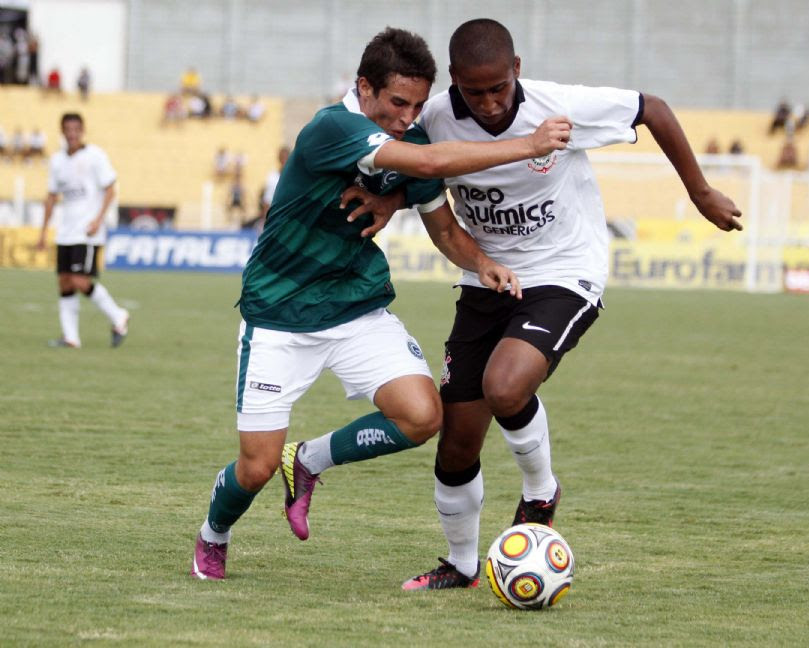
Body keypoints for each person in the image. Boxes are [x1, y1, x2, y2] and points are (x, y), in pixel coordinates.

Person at [189, 26, 571, 581]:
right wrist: (530, 145)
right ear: (364, 87)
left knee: (422, 417)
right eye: (397, 103)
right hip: (279, 316)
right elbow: (431, 163)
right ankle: (213, 534)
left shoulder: (409, 139)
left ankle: (310, 459)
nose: (407, 117)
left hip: (356, 308)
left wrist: (481, 263)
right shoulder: (332, 127)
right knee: (256, 467)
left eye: (417, 105)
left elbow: (444, 228)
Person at [389, 18, 741, 590]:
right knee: (457, 441)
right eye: (474, 93)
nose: (489, 103)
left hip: (563, 273)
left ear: (517, 69)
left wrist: (700, 193)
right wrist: (383, 203)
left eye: (499, 88)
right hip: (485, 278)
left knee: (506, 386)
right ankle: (460, 565)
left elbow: (652, 108)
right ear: (453, 80)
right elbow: (413, 171)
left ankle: (541, 492)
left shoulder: (560, 106)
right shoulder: (432, 118)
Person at [37, 113, 130, 349]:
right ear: (62, 131)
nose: (72, 134)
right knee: (64, 281)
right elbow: (51, 197)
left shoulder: (95, 156)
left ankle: (118, 315)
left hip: (87, 231)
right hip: (65, 231)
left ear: (82, 130)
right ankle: (71, 338)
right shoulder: (57, 161)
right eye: (68, 129)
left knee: (79, 279)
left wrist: (98, 220)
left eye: (76, 129)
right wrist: (43, 232)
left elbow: (110, 189)